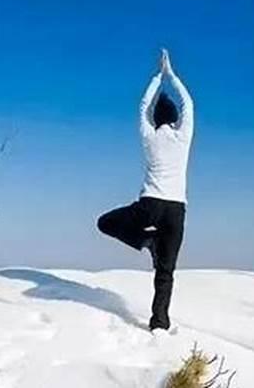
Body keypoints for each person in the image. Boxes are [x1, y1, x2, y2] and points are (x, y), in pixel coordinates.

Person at [97, 48, 194, 332]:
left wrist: (155, 78)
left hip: (150, 205)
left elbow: (142, 107)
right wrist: (171, 75)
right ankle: (159, 323)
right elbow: (188, 102)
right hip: (176, 209)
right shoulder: (182, 136)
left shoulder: (149, 136)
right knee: (166, 272)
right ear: (175, 118)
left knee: (106, 222)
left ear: (156, 117)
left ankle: (145, 241)